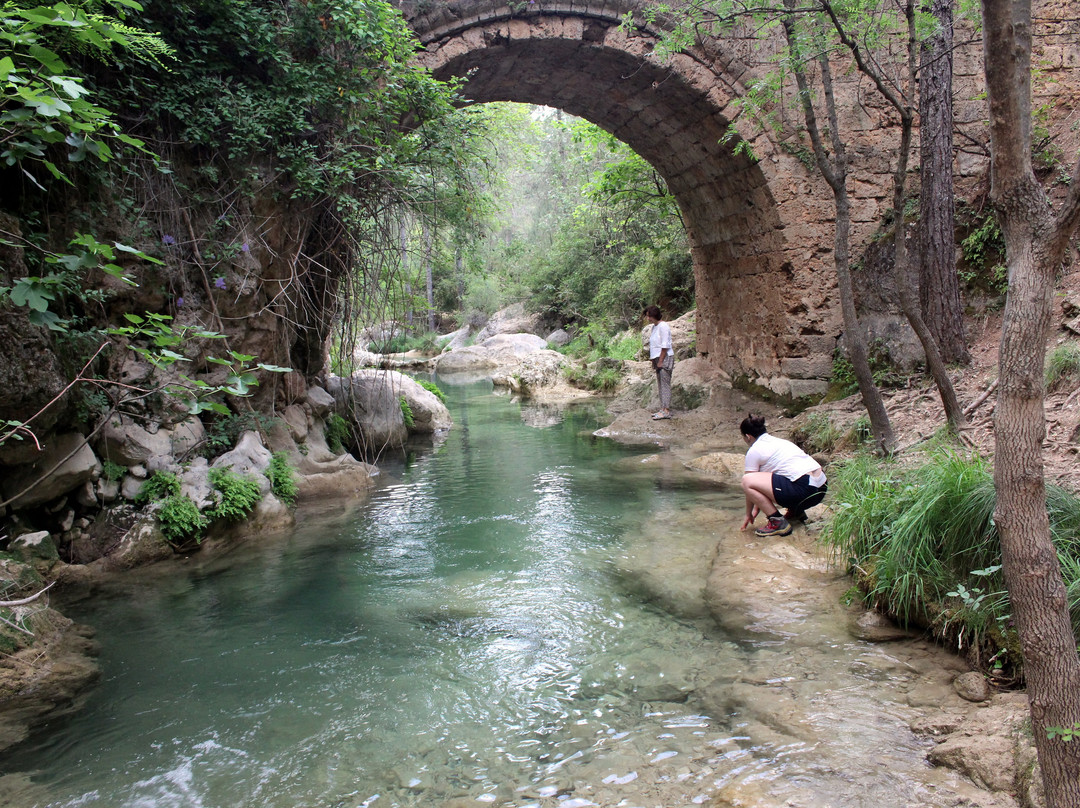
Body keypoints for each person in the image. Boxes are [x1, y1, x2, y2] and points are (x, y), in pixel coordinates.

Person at [739, 413, 827, 537]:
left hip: (804, 491)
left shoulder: (755, 450)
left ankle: (777, 522)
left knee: (746, 480)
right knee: (785, 476)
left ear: (748, 437)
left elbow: (749, 484)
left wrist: (748, 513)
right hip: (821, 488)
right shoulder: (781, 442)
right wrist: (757, 507)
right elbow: (763, 486)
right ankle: (796, 512)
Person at [644, 305, 673, 420]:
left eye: (648, 316)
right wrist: (654, 361)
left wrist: (660, 361)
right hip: (657, 358)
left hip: (664, 358)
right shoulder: (654, 327)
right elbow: (654, 345)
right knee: (660, 384)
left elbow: (665, 345)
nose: (647, 319)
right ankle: (662, 408)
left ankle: (666, 411)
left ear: (654, 315)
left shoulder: (663, 326)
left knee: (665, 384)